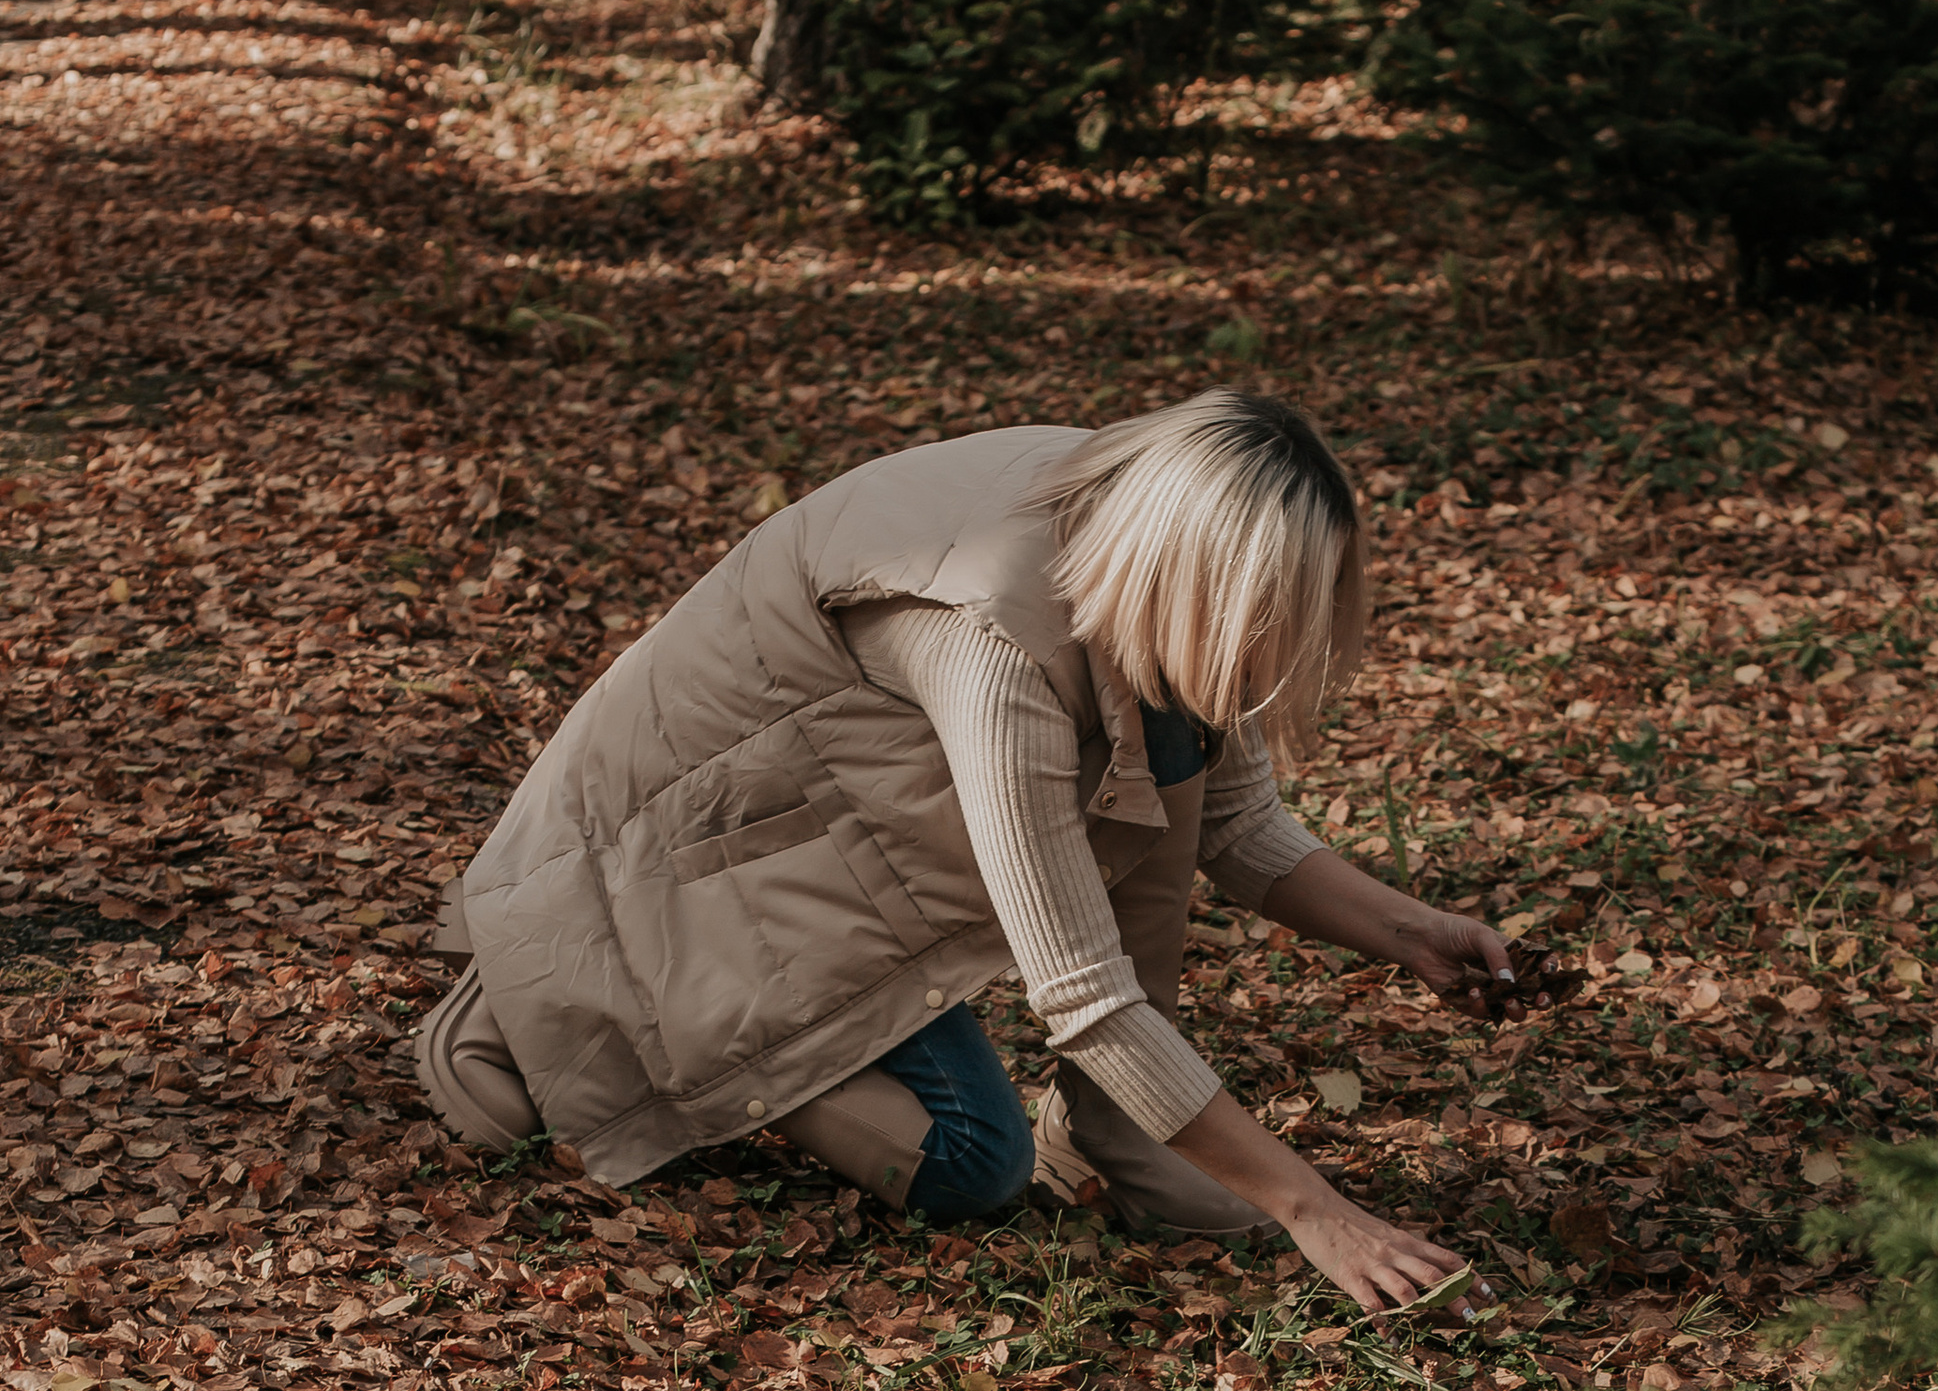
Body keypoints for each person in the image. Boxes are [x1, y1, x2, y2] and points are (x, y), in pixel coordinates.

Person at [415, 391, 1513, 1312]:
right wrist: (1316, 1212)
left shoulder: (1126, 550)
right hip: (677, 885)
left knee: (1171, 766)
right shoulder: (992, 641)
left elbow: (1235, 827)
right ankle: (565, 1013)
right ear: (1192, 567)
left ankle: (1122, 1139)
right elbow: (1080, 992)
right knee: (973, 1166)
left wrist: (1414, 934)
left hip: (831, 860)